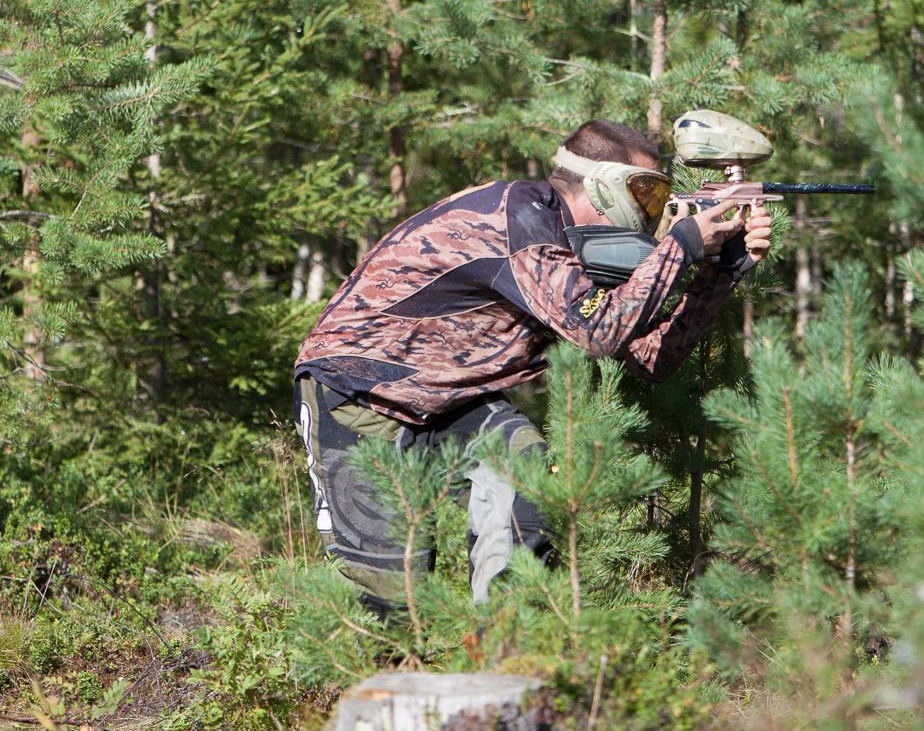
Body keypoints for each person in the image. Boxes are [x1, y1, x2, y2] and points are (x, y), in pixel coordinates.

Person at [292, 119, 772, 609]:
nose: (652, 211)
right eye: (644, 192)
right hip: (359, 392)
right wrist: (682, 246)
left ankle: (506, 643)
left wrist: (722, 272)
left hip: (455, 402)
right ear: (601, 185)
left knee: (529, 491)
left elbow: (650, 358)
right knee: (389, 598)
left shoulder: (572, 244)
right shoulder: (520, 219)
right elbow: (599, 332)